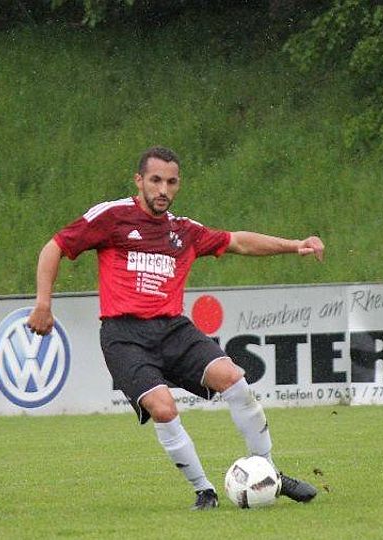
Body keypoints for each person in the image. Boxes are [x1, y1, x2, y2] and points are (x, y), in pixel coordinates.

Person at [27, 145, 324, 510]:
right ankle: (204, 491)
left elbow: (238, 242)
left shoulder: (184, 231)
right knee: (164, 408)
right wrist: (43, 303)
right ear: (139, 181)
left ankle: (269, 473)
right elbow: (54, 246)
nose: (163, 189)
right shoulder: (113, 217)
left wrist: (295, 245)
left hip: (173, 330)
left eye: (171, 182)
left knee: (234, 379)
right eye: (155, 180)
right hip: (124, 336)